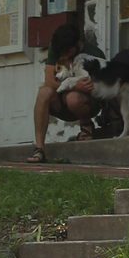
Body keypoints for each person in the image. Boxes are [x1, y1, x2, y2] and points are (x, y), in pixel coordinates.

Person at [29, 21, 101, 163]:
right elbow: (49, 81)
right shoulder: (56, 48)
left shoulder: (93, 54)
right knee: (44, 92)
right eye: (60, 53)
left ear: (77, 45)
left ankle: (86, 126)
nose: (63, 56)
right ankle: (39, 149)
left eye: (67, 52)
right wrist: (74, 85)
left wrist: (77, 87)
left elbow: (94, 88)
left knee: (73, 98)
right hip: (61, 101)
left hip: (86, 103)